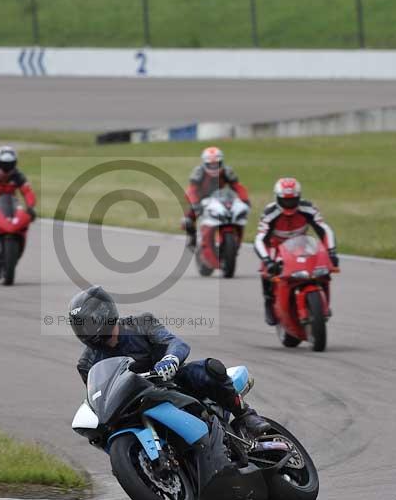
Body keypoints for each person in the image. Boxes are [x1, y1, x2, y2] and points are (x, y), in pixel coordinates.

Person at [68, 285, 270, 436]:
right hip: (134, 403)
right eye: (81, 326)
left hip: (172, 383)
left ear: (105, 314)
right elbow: (99, 397)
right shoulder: (86, 364)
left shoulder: (141, 324)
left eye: (89, 323)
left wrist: (170, 360)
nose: (86, 330)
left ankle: (246, 415)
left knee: (209, 369)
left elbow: (174, 342)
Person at [254, 177, 339, 325]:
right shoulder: (269, 213)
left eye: (292, 200)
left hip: (301, 243)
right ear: (277, 198)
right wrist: (267, 261)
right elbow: (260, 239)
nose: (289, 204)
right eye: (285, 200)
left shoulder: (308, 208)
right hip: (276, 245)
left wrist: (331, 252)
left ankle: (323, 300)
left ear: (299, 198)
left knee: (323, 267)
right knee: (267, 271)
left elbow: (324, 229)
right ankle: (269, 302)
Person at [182, 146, 250, 249]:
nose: (214, 167)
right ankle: (193, 237)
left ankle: (234, 238)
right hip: (201, 200)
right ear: (204, 163)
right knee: (187, 221)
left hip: (221, 198)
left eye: (216, 164)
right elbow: (191, 190)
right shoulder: (199, 172)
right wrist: (195, 203)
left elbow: (238, 187)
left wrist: (245, 199)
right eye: (211, 164)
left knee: (235, 215)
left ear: (221, 162)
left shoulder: (227, 171)